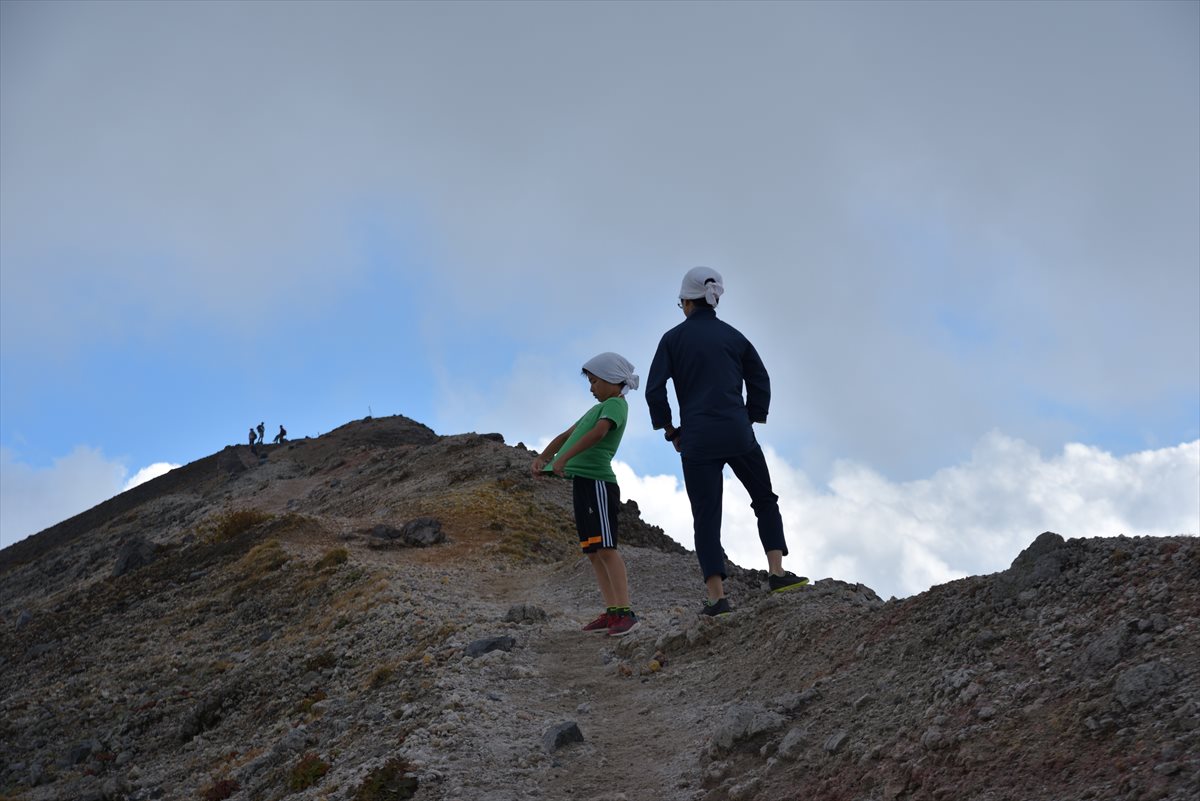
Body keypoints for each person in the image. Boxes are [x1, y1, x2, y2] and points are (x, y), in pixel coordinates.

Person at [646, 267, 808, 617]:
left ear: (687, 301)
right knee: (764, 498)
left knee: (706, 515)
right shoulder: (735, 337)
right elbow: (760, 378)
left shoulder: (672, 340)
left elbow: (654, 389)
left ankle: (717, 597)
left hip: (698, 438)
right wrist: (750, 415)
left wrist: (671, 430)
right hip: (737, 431)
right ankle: (777, 573)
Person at [531, 352, 641, 637]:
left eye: (594, 381)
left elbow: (599, 434)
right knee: (593, 551)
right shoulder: (596, 409)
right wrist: (545, 457)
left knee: (606, 547)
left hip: (598, 483)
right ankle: (612, 611)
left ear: (611, 380)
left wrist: (563, 458)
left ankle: (625, 612)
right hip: (582, 483)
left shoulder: (616, 405)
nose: (591, 388)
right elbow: (568, 434)